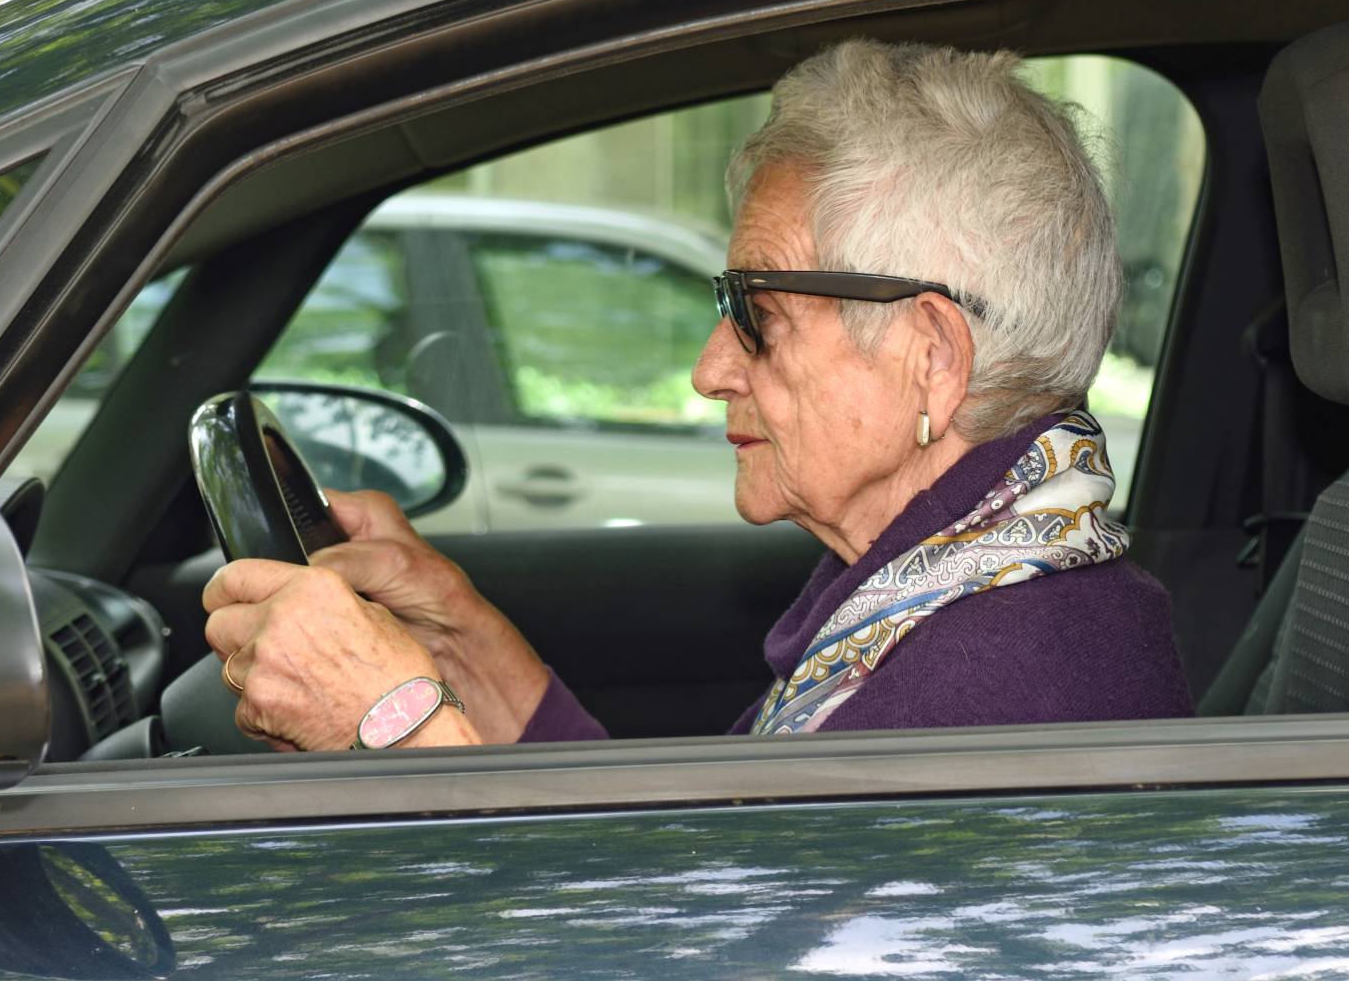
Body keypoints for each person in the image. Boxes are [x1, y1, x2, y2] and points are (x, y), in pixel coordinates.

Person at [202, 40, 1193, 752]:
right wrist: (460, 639)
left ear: (930, 355)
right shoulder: (939, 592)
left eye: (757, 313)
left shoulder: (997, 691)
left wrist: (396, 725)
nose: (711, 368)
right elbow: (690, 875)